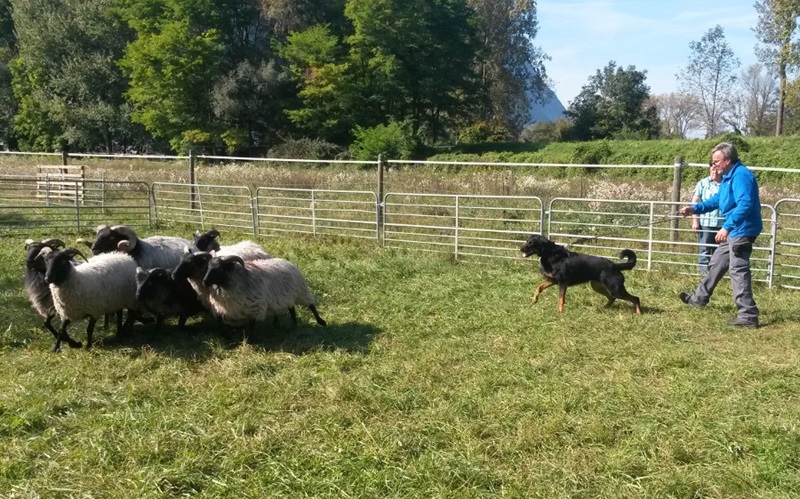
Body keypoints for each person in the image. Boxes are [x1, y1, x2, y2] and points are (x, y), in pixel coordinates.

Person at [677, 142, 762, 328]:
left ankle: (748, 316)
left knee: (738, 271)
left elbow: (745, 205)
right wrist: (694, 209)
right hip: (734, 229)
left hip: (742, 230)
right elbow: (717, 200)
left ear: (727, 160)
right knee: (717, 263)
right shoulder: (727, 177)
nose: (713, 165)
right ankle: (698, 299)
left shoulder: (741, 176)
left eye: (716, 161)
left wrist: (727, 227)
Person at [691, 161, 724, 274]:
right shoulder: (703, 183)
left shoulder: (726, 183)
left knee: (719, 251)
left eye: (717, 169)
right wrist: (695, 220)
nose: (714, 172)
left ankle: (715, 274)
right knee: (704, 249)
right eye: (712, 169)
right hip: (706, 222)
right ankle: (703, 274)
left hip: (723, 224)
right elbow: (695, 202)